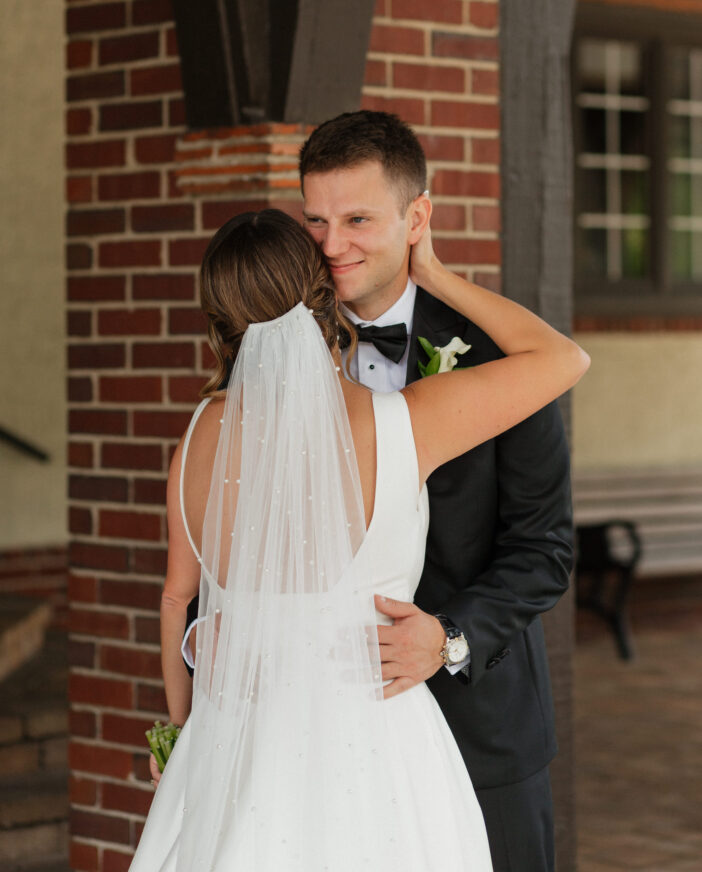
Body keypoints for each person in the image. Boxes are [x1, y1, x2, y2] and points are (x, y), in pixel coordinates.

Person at [130, 197, 588, 869]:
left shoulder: (198, 439)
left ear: (221, 323)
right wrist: (428, 270)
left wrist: (180, 733)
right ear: (325, 297)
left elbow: (176, 601)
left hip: (237, 739)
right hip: (379, 741)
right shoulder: (410, 421)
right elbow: (562, 357)